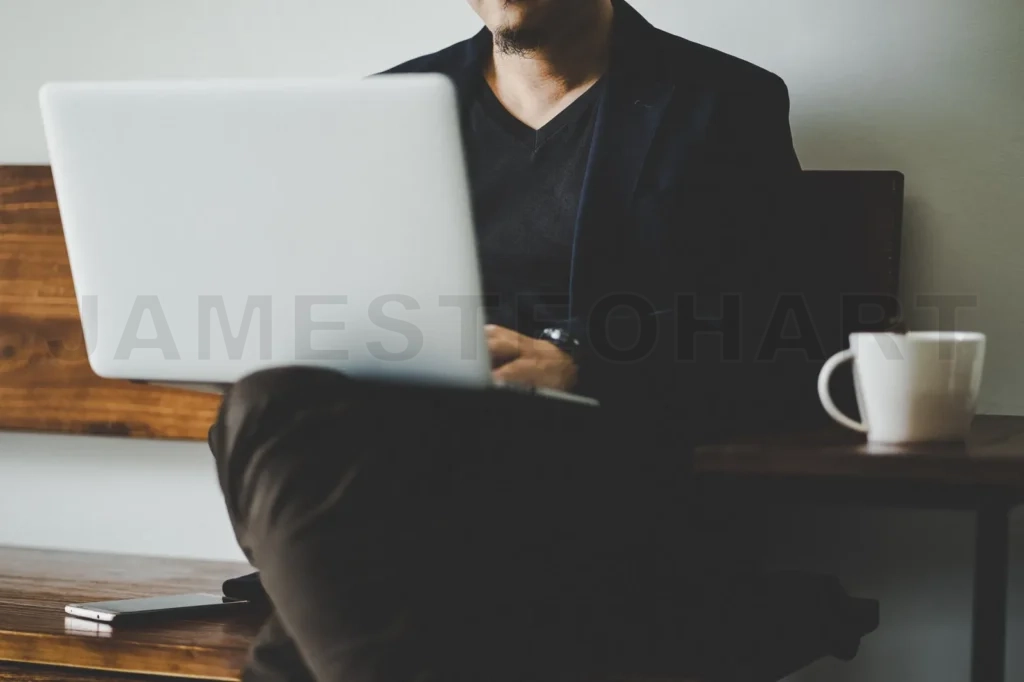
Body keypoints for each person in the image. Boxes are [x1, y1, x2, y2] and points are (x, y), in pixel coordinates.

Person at [210, 2, 869, 681]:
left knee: (314, 591)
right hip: (406, 469)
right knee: (270, 398)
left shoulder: (721, 101)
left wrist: (584, 366)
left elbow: (793, 347)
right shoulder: (390, 107)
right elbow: (345, 306)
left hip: (598, 477)